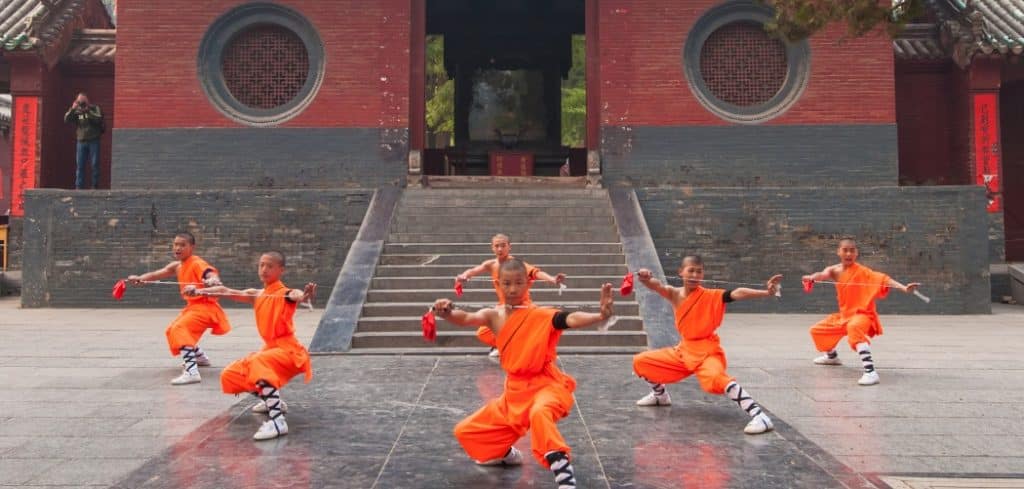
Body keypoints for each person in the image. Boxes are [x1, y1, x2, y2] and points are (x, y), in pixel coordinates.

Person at [433, 258, 613, 488]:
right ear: (498, 284)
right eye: (507, 283)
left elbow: (569, 318)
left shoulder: (540, 315)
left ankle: (564, 474)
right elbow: (466, 318)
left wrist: (599, 316)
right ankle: (507, 454)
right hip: (514, 393)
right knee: (466, 431)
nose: (512, 289)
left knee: (540, 413)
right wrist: (446, 312)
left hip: (545, 385)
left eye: (518, 283)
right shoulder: (493, 315)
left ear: (528, 284)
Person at [631, 256, 782, 435]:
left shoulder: (710, 295)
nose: (695, 275)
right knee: (641, 361)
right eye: (691, 270)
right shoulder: (673, 293)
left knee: (717, 378)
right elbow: (656, 285)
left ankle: (760, 416)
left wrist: (766, 293)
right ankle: (660, 396)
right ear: (681, 272)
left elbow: (737, 293)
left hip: (707, 351)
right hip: (683, 351)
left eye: (699, 271)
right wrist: (645, 277)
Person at [191, 251, 315, 441]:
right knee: (231, 374)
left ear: (281, 270)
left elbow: (295, 294)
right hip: (270, 349)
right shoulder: (257, 294)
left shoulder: (284, 293)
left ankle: (278, 422)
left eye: (270, 266)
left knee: (258, 363)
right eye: (261, 265)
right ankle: (273, 401)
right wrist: (199, 291)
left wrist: (303, 296)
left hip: (289, 350)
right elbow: (227, 291)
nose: (264, 269)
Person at [803, 237, 920, 386]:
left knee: (854, 328)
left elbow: (884, 279)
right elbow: (821, 275)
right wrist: (810, 278)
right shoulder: (833, 270)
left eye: (852, 250)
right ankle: (832, 357)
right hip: (844, 316)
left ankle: (870, 372)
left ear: (856, 253)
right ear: (839, 252)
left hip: (862, 315)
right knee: (817, 330)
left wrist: (904, 288)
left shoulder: (863, 272)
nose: (849, 254)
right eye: (845, 250)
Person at [127, 232, 230, 385]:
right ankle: (200, 357)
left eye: (182, 245)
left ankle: (191, 372)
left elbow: (210, 273)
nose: (178, 248)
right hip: (193, 307)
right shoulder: (176, 266)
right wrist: (140, 278)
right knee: (171, 330)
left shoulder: (197, 263)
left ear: (192, 247)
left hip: (205, 308)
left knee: (180, 329)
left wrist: (213, 280)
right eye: (176, 244)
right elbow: (156, 274)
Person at [454, 233, 566, 357]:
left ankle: (518, 346)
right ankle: (505, 344)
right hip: (503, 307)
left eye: (503, 246)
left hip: (522, 305)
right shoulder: (490, 264)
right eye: (497, 246)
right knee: (483, 333)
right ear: (492, 247)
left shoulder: (516, 265)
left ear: (509, 247)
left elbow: (536, 273)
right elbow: (472, 271)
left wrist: (552, 279)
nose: (500, 249)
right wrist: (463, 276)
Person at [63, 93, 104, 189]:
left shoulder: (94, 108)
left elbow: (99, 118)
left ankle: (94, 186)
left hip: (93, 140)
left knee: (95, 164)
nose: (82, 103)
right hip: (81, 141)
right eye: (79, 101)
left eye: (83, 101)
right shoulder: (76, 111)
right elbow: (66, 119)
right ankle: (79, 186)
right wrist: (73, 109)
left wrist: (88, 110)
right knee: (80, 165)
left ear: (87, 100)